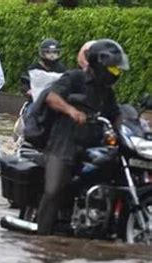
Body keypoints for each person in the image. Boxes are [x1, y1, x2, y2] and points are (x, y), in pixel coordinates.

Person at [36, 39, 129, 235]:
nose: (115, 73)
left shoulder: (106, 91)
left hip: (93, 146)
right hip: (64, 145)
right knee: (53, 190)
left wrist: (130, 129)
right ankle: (41, 238)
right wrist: (71, 110)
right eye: (112, 69)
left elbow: (116, 114)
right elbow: (52, 97)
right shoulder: (74, 78)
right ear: (99, 64)